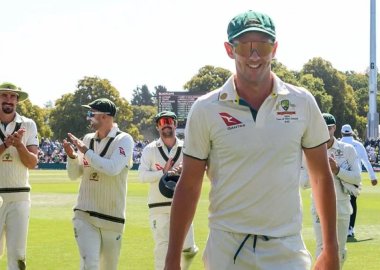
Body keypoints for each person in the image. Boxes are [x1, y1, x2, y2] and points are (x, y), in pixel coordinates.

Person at [165, 10, 339, 270]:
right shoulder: (205, 108)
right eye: (245, 46)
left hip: (285, 248)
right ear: (229, 49)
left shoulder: (302, 102)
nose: (254, 55)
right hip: (226, 248)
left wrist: (330, 248)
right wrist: (172, 259)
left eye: (263, 45)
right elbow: (189, 185)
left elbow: (320, 176)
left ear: (275, 48)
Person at [62, 98, 134, 269]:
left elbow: (112, 168)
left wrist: (85, 152)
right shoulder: (87, 139)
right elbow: (74, 175)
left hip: (113, 218)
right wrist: (72, 157)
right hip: (85, 214)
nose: (89, 118)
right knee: (90, 264)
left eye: (91, 114)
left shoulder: (124, 140)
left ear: (105, 117)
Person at [138, 111, 198, 270]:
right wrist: (163, 172)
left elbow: (199, 171)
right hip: (158, 207)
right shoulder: (150, 149)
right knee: (162, 250)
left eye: (170, 120)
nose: (166, 124)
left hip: (182, 206)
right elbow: (142, 176)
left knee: (188, 248)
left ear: (175, 124)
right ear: (158, 126)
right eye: (162, 121)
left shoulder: (187, 147)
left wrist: (185, 170)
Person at [301, 113, 361, 268]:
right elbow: (302, 182)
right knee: (322, 249)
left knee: (339, 252)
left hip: (342, 206)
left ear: (334, 128)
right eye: (322, 127)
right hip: (319, 206)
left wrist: (337, 170)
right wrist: (321, 171)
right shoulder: (307, 151)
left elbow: (356, 178)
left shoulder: (347, 149)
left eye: (328, 128)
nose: (325, 131)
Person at [0, 82, 39, 270]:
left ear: (17, 100)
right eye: (4, 96)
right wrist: (6, 145)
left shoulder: (28, 124)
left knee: (17, 257)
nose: (9, 100)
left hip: (20, 196)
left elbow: (32, 163)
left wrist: (19, 145)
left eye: (12, 96)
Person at [340, 124, 378, 238]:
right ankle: (350, 229)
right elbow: (366, 162)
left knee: (340, 202)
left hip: (340, 177)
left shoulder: (337, 144)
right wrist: (373, 177)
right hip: (355, 178)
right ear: (351, 133)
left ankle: (340, 228)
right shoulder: (358, 145)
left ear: (341, 133)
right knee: (352, 202)